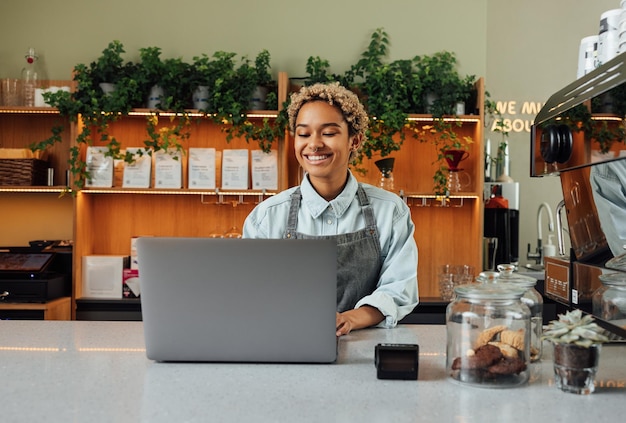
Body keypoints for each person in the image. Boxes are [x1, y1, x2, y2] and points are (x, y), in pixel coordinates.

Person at [243, 82, 419, 336]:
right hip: (287, 344)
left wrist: (349, 319)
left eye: (328, 133)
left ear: (354, 141)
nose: (314, 144)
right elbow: (251, 291)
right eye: (303, 134)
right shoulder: (267, 217)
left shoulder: (391, 212)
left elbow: (399, 289)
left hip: (366, 347)